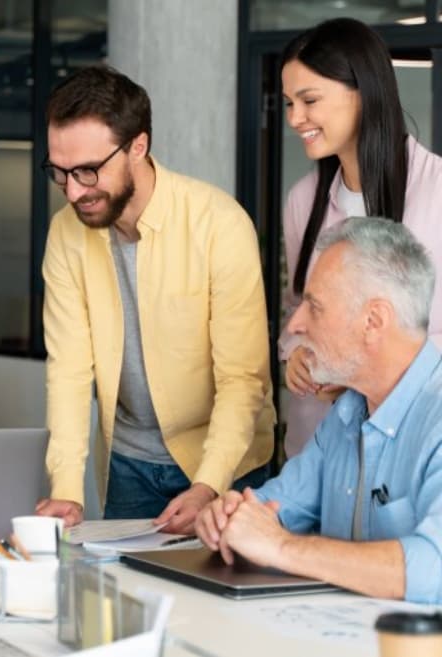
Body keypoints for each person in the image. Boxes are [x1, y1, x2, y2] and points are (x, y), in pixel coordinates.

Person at [35, 65, 275, 532]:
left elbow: (242, 379)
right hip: (129, 464)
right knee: (125, 597)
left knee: (217, 600)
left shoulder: (219, 224)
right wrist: (65, 487)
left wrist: (209, 485)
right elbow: (67, 369)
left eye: (87, 170)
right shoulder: (65, 232)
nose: (74, 190)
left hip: (226, 462)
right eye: (59, 172)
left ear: (138, 147)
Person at [197, 217, 442, 604]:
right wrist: (230, 515)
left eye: (314, 307)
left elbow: (435, 568)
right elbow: (277, 504)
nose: (295, 324)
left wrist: (282, 547)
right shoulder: (347, 414)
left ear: (373, 321)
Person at [280, 18, 442, 457]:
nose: (296, 118)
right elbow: (299, 310)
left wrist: (362, 370)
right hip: (319, 447)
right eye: (289, 103)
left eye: (309, 100)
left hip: (415, 446)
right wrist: (297, 354)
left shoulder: (438, 190)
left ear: (362, 91)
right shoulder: (302, 200)